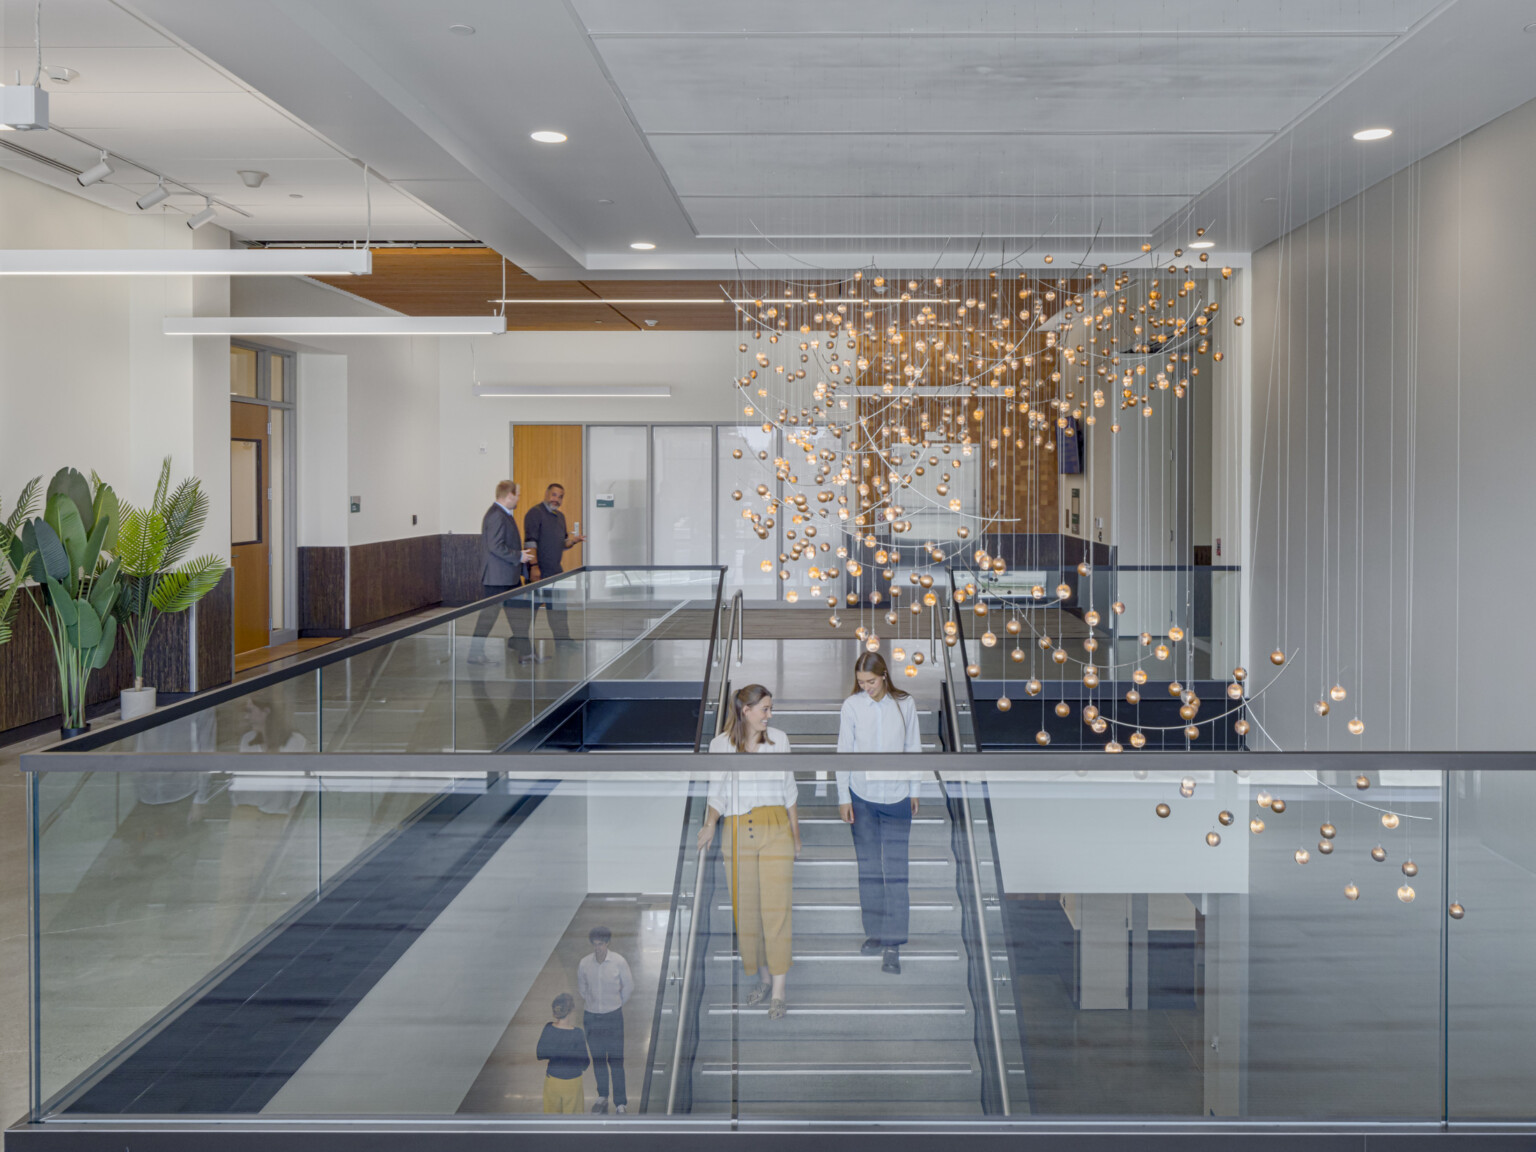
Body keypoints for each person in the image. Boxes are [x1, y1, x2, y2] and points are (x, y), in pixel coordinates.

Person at [701, 685, 800, 1020]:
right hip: (738, 830)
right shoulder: (720, 745)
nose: (769, 716)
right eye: (765, 710)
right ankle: (763, 979)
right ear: (746, 711)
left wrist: (795, 836)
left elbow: (789, 789)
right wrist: (710, 824)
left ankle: (780, 992)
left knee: (777, 910)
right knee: (747, 913)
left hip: (775, 827)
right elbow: (716, 793)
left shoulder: (780, 740)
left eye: (770, 709)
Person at [835, 652, 924, 975]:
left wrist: (916, 789)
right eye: (861, 683)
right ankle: (874, 932)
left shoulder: (905, 703)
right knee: (869, 869)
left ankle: (894, 943)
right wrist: (843, 796)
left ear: (884, 676)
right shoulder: (853, 706)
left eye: (871, 682)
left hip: (898, 796)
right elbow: (844, 751)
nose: (866, 687)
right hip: (862, 797)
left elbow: (913, 747)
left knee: (897, 872)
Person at [470, 480, 536, 665]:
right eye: (518, 494)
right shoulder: (497, 516)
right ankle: (475, 654)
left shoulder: (502, 514)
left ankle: (525, 652)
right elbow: (495, 546)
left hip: (507, 575)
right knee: (488, 617)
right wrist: (518, 556)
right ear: (510, 495)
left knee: (518, 616)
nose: (519, 498)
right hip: (498, 577)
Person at [522, 483, 586, 649]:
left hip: (555, 571)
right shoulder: (535, 513)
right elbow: (530, 542)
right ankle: (520, 642)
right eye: (554, 495)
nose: (556, 499)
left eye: (560, 496)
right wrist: (534, 567)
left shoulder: (560, 517)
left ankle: (563, 641)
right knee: (529, 611)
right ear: (546, 494)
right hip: (538, 571)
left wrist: (573, 541)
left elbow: (562, 543)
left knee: (558, 610)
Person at [577, 925, 633, 1114]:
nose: (597, 948)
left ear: (607, 943)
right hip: (591, 1017)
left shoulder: (618, 962)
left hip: (613, 1016)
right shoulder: (585, 963)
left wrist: (613, 1005)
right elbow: (582, 988)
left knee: (616, 1060)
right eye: (594, 944)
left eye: (600, 944)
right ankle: (602, 1096)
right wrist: (595, 1005)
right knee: (598, 1059)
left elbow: (628, 987)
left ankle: (620, 1102)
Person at [537, 992, 590, 1114]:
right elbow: (585, 1063)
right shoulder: (578, 1033)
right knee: (573, 1122)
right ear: (571, 1011)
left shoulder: (548, 1028)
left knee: (551, 1119)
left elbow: (540, 1053)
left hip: (552, 1081)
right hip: (573, 1083)